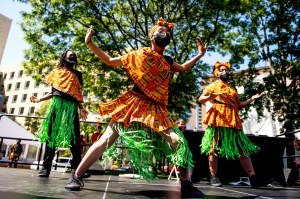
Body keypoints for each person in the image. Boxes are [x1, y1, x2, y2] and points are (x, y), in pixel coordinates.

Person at [74, 18, 208, 197]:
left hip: (156, 108)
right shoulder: (138, 54)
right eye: (161, 31)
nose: (164, 34)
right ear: (152, 36)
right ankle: (76, 176)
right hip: (134, 103)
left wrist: (199, 55)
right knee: (106, 139)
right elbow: (109, 60)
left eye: (167, 33)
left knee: (179, 142)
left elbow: (183, 68)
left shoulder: (167, 60)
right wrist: (89, 42)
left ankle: (186, 184)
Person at [199, 61, 265, 188]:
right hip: (218, 116)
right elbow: (201, 99)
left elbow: (238, 105)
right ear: (217, 73)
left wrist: (252, 99)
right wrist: (210, 96)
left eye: (226, 70)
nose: (225, 72)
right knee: (214, 147)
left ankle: (253, 177)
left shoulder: (232, 89)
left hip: (232, 117)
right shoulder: (212, 86)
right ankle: (213, 176)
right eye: (222, 70)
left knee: (242, 147)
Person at [30, 50, 88, 190]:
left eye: (74, 55)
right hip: (56, 104)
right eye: (70, 54)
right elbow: (52, 92)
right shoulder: (56, 71)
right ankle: (46, 168)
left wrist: (81, 108)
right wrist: (39, 99)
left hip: (71, 107)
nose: (72, 56)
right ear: (64, 57)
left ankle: (76, 169)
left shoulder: (78, 74)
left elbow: (77, 93)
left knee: (74, 137)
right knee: (51, 135)